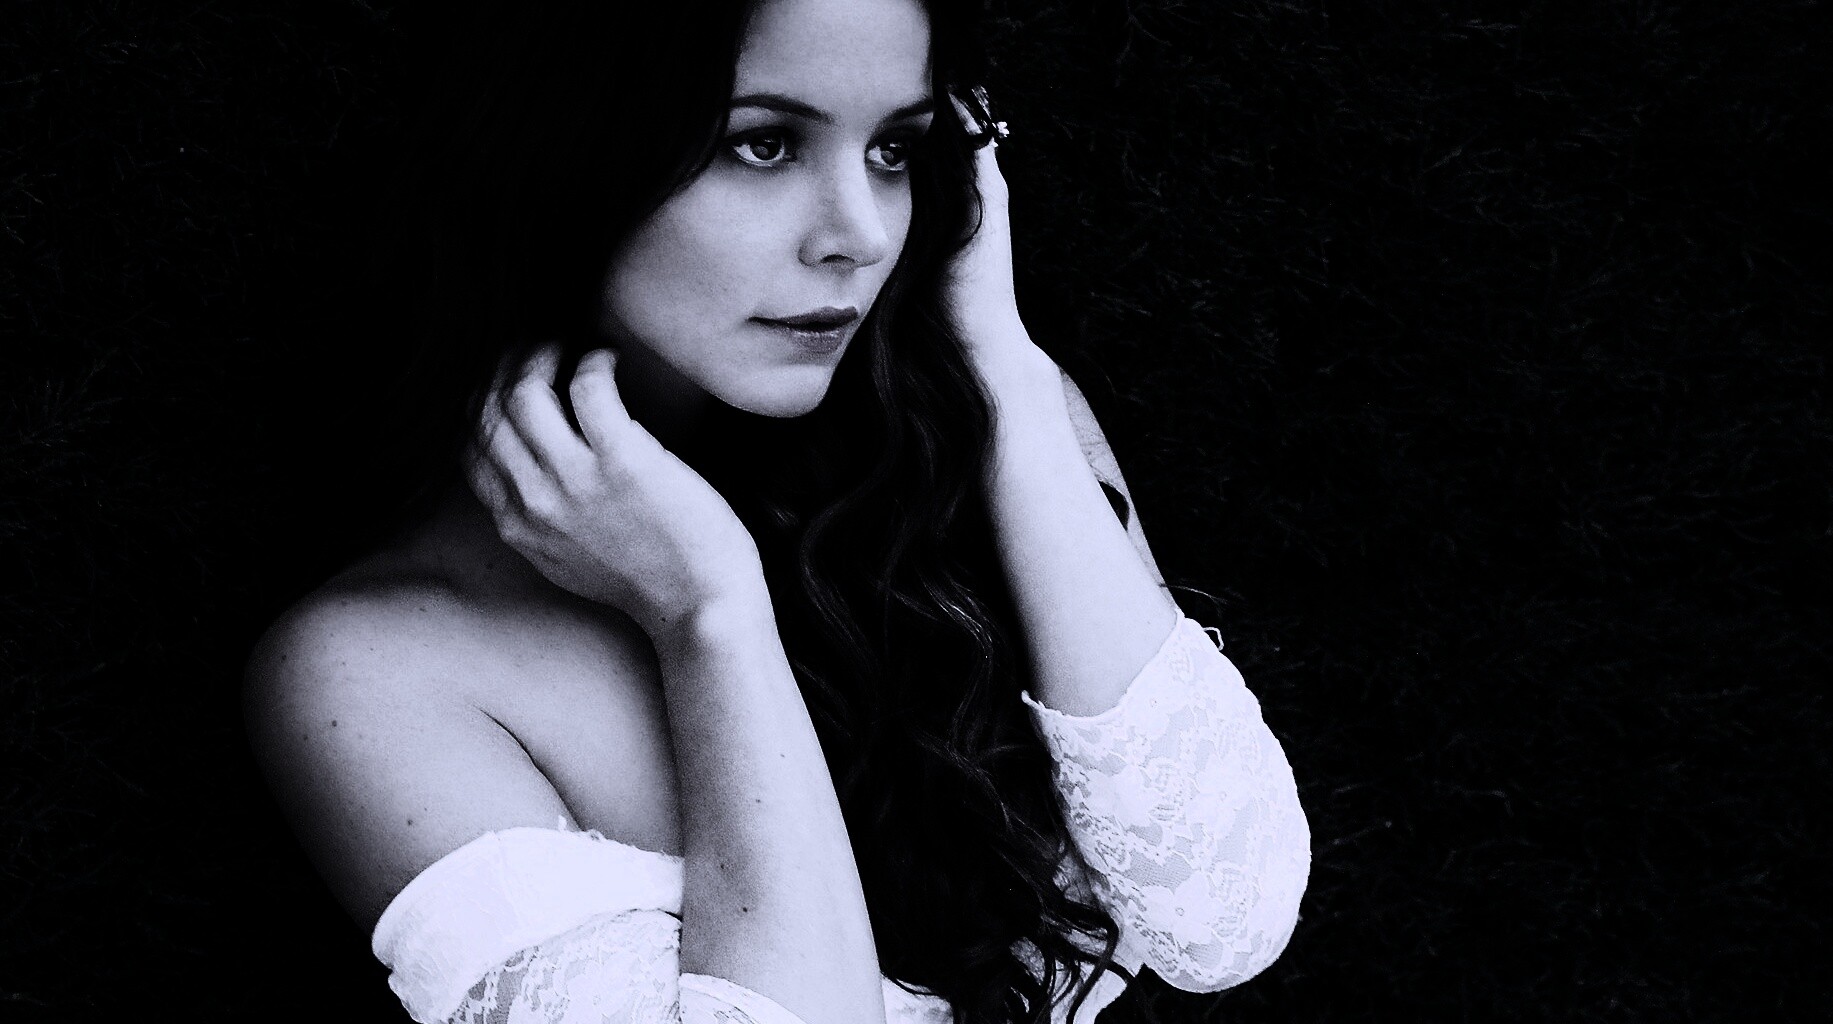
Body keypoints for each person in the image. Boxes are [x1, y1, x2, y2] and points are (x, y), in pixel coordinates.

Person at [238, 1, 1312, 1022]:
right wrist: (710, 617)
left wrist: (997, 355)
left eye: (894, 151)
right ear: (560, 146)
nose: (860, 235)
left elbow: (1222, 921)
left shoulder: (992, 438)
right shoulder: (376, 674)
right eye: (763, 145)